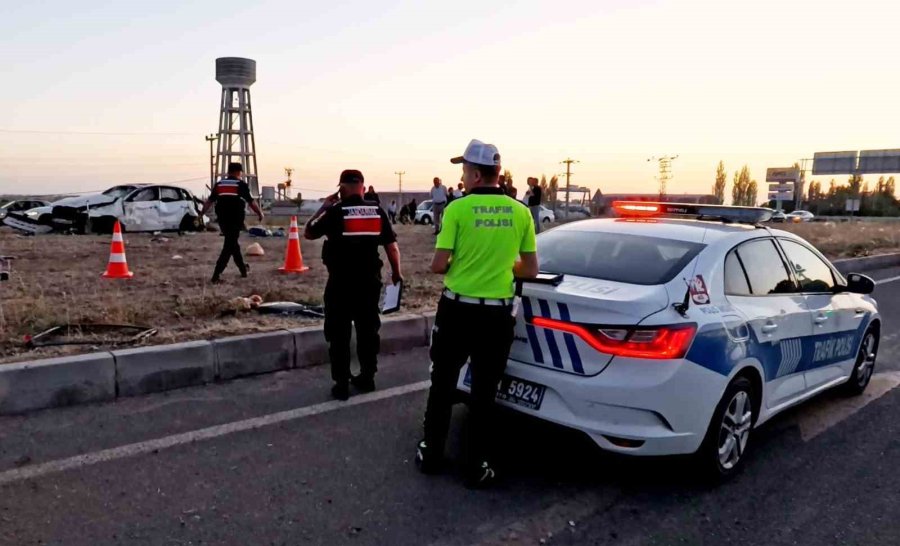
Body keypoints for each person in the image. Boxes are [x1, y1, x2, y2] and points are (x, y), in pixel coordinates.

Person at [416, 139, 539, 488]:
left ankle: (432, 453)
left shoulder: (457, 209)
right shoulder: (520, 212)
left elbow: (438, 265)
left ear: (473, 173)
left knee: (442, 384)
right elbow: (529, 269)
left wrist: (466, 263)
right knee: (485, 393)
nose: (463, 176)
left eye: (464, 170)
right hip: (497, 316)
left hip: (457, 310)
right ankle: (477, 465)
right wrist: (498, 264)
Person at [304, 170, 402, 401]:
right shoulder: (377, 211)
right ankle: (368, 377)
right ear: (362, 186)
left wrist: (324, 207)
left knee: (339, 334)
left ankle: (341, 383)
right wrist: (396, 272)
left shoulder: (336, 212)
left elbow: (308, 233)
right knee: (368, 330)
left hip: (340, 284)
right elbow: (392, 246)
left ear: (342, 188)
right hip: (369, 284)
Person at [200, 162, 264, 283]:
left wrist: (201, 213)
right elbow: (251, 202)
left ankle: (243, 270)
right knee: (229, 246)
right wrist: (260, 213)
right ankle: (216, 275)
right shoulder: (241, 185)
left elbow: (209, 201)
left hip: (223, 220)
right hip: (235, 219)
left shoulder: (219, 185)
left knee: (232, 244)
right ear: (239, 172)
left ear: (229, 172)